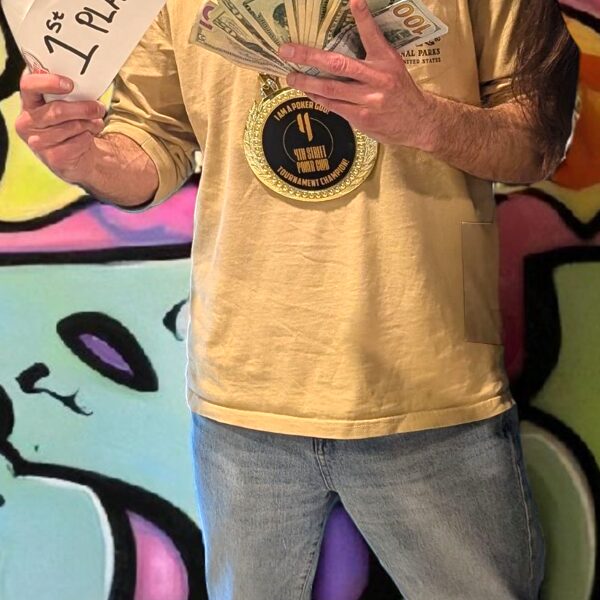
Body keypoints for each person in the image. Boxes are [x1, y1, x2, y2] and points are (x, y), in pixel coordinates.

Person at [16, 0, 578, 597]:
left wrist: (427, 120)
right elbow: (155, 138)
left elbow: (537, 141)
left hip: (431, 390)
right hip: (244, 399)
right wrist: (86, 157)